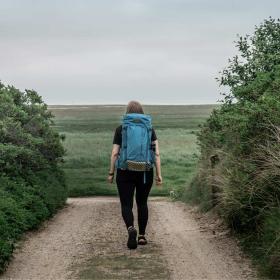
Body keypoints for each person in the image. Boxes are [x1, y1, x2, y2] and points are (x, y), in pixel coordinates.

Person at [107, 100, 163, 249]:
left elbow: (114, 153)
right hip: (145, 171)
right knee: (142, 203)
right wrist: (159, 174)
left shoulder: (121, 129)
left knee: (126, 204)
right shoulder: (150, 129)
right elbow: (156, 154)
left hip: (125, 171)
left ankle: (131, 228)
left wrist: (111, 173)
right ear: (142, 112)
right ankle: (142, 236)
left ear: (127, 112)